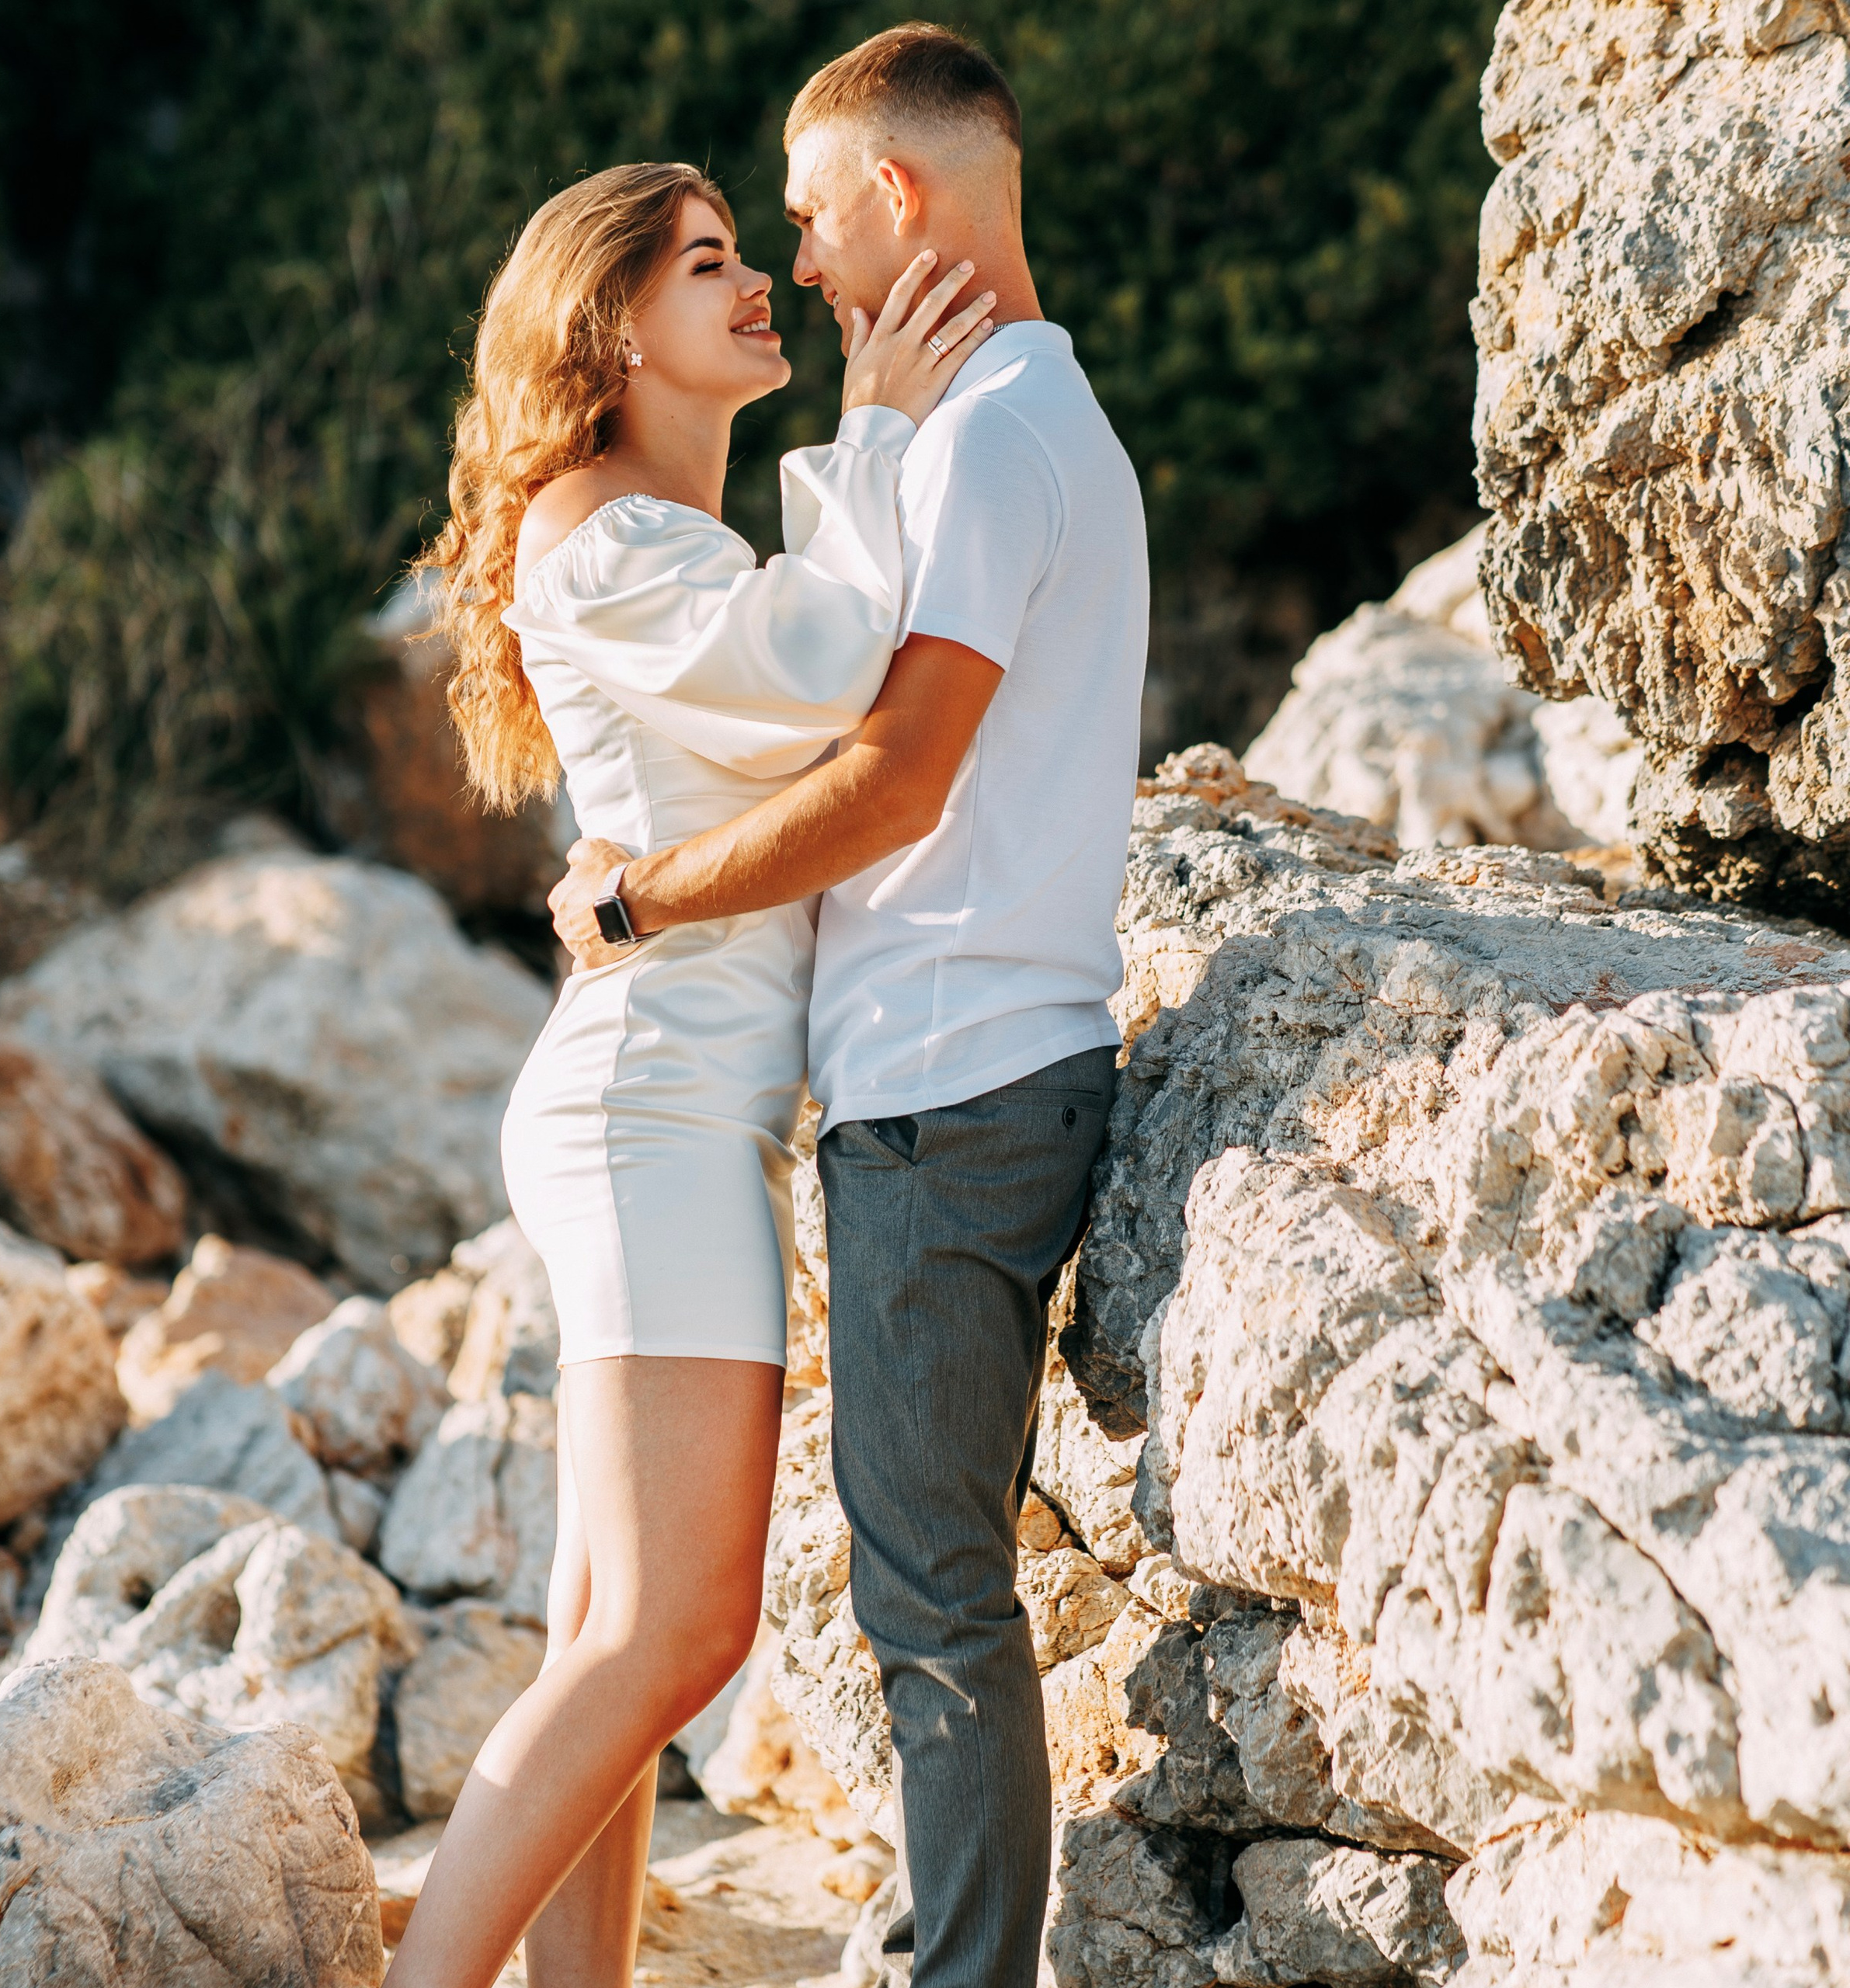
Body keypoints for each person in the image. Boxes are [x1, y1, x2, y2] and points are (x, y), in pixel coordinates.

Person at [551, 26, 1149, 1988]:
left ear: (900, 196)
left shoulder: (984, 438)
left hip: (949, 1080)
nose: (798, 264)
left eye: (803, 218)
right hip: (974, 1061)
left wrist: (637, 896)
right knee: (922, 1586)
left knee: (930, 1598)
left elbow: (887, 775)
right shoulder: (1043, 419)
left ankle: (949, 1974)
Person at [381, 162, 997, 1988]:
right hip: (650, 1108)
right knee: (674, 1626)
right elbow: (825, 665)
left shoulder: (649, 526)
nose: (760, 292)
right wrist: (880, 430)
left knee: (608, 1621)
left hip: (658, 1104)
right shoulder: (607, 527)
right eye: (711, 265)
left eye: (749, 257)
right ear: (606, 324)